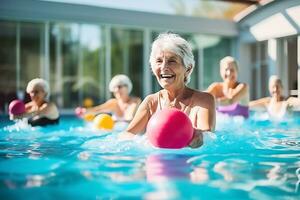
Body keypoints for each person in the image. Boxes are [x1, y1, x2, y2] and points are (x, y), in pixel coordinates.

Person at [119, 33, 215, 148]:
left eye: (172, 61)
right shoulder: (151, 102)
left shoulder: (204, 100)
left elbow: (207, 137)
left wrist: (199, 137)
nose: (164, 67)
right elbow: (126, 134)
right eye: (159, 61)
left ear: (188, 68)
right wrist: (146, 141)